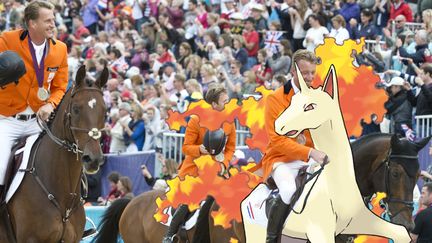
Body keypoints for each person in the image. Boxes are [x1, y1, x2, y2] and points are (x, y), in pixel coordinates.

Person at [0, 1, 68, 199]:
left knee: (63, 160)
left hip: (39, 122)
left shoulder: (60, 49)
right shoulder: (7, 40)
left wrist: (50, 103)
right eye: (47, 21)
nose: (52, 24)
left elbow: (60, 87)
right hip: (8, 119)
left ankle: (73, 215)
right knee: (1, 164)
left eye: (53, 20)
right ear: (32, 23)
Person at [261, 50, 328, 243]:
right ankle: (272, 238)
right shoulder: (275, 98)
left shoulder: (318, 96)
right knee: (289, 190)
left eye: (312, 73)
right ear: (293, 71)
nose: (309, 78)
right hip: (281, 160)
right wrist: (309, 151)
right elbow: (277, 140)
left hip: (310, 158)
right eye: (305, 73)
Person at [162, 83, 236, 243]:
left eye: (228, 100)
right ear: (214, 104)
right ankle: (169, 235)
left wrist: (225, 163)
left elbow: (231, 148)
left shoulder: (229, 122)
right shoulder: (196, 120)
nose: (228, 104)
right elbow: (186, 147)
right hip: (194, 170)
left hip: (218, 170)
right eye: (225, 101)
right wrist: (200, 149)